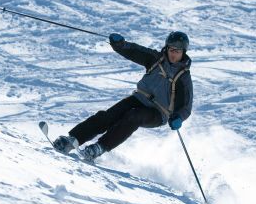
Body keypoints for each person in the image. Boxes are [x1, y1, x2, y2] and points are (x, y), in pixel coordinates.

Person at [53, 31, 193, 161]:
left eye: (177, 51)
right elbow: (136, 51)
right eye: (171, 49)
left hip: (158, 112)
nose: (173, 54)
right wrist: (120, 45)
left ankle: (99, 148)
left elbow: (185, 106)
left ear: (183, 52)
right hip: (139, 98)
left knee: (134, 116)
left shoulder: (183, 77)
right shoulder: (156, 59)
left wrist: (178, 117)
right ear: (166, 48)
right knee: (109, 115)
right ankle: (72, 140)